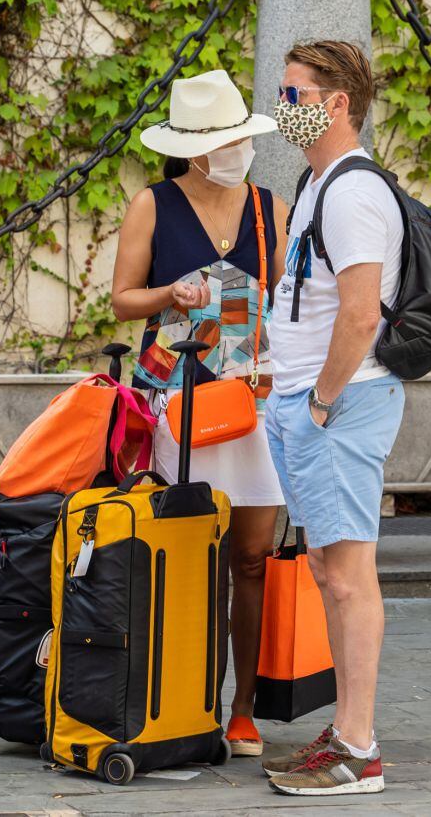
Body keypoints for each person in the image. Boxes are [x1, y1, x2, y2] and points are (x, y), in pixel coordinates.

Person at [112, 69, 287, 756]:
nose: (234, 148)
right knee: (188, 557)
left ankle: (242, 707)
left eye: (237, 135)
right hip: (179, 402)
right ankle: (186, 700)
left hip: (253, 400)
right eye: (220, 139)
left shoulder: (269, 205)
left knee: (250, 558)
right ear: (190, 147)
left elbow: (290, 295)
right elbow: (123, 298)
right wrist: (170, 296)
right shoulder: (152, 205)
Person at [260, 40, 404, 797]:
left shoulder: (352, 192)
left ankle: (359, 748)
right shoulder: (317, 183)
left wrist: (317, 401)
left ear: (335, 103)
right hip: (308, 406)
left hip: (339, 405)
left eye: (293, 94)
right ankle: (348, 732)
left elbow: (360, 315)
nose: (283, 107)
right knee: (329, 570)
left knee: (347, 578)